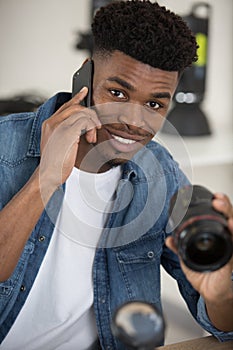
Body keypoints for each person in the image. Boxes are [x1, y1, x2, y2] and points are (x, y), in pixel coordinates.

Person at [0, 0, 232, 349]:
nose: (134, 122)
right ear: (85, 75)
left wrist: (222, 294)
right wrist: (45, 177)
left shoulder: (161, 173)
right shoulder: (5, 146)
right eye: (118, 93)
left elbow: (224, 326)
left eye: (154, 104)